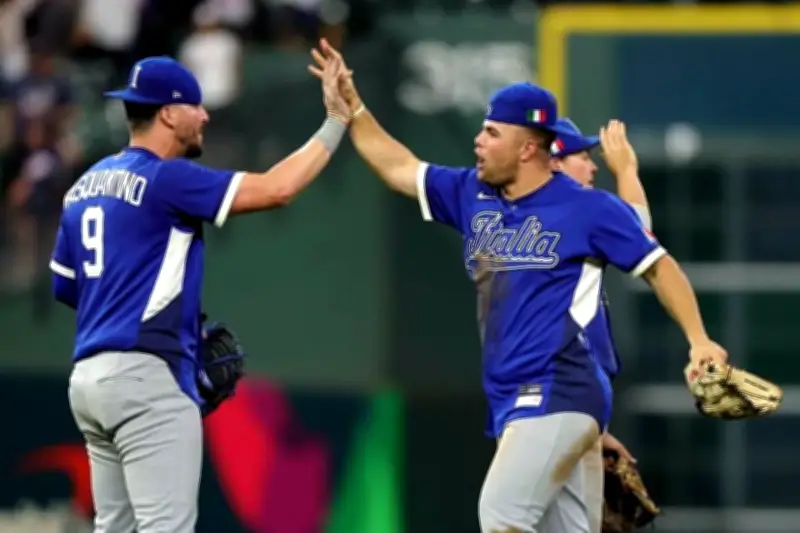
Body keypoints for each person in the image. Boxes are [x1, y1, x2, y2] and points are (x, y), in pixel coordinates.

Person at [309, 39, 727, 533]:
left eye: (492, 132)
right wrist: (354, 109)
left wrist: (699, 339)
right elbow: (399, 166)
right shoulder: (472, 192)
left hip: (559, 385)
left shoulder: (588, 208)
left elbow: (659, 266)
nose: (478, 141)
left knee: (502, 514)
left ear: (528, 147)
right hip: (517, 397)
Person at [49, 55, 350, 533]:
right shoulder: (167, 177)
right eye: (195, 105)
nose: (205, 115)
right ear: (169, 114)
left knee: (114, 528)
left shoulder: (83, 186)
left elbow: (67, 287)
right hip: (146, 377)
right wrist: (336, 121)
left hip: (87, 379)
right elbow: (278, 189)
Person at [551, 117, 649, 462]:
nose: (593, 167)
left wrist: (594, 426)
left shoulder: (561, 214)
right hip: (555, 398)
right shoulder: (569, 214)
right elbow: (642, 235)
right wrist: (626, 171)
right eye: (583, 157)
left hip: (574, 402)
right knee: (509, 498)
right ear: (554, 162)